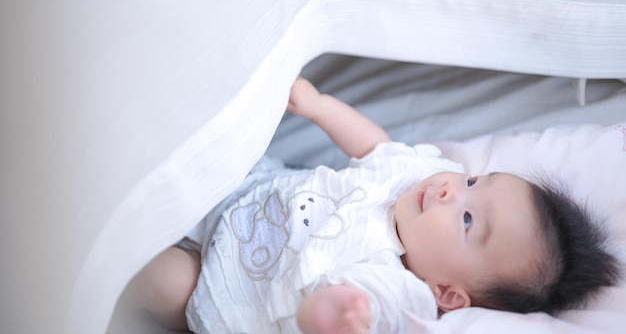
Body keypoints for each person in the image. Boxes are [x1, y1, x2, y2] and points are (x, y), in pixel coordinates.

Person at [118, 77, 621, 334]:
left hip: (224, 284)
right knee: (190, 147)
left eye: (468, 219)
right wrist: (319, 106)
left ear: (448, 294)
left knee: (158, 278)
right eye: (473, 180)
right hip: (252, 188)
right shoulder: (416, 181)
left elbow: (329, 303)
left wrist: (334, 316)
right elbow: (374, 146)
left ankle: (97, 274)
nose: (452, 191)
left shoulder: (395, 289)